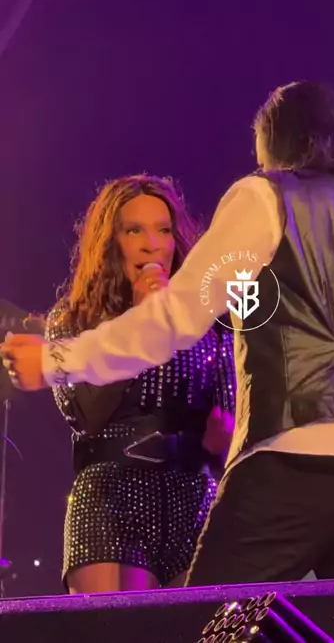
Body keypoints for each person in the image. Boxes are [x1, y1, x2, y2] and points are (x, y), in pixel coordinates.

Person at [2, 82, 334, 590]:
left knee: (204, 621)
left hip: (297, 455)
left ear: (280, 149)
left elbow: (175, 317)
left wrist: (55, 361)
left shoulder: (268, 196)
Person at [32, 174, 235, 593]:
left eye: (163, 230)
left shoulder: (209, 326)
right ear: (111, 244)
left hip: (192, 497)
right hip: (109, 497)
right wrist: (139, 322)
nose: (152, 245)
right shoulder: (72, 320)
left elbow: (229, 422)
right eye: (134, 231)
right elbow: (85, 414)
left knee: (198, 623)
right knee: (118, 624)